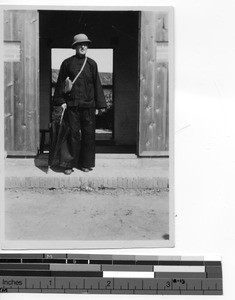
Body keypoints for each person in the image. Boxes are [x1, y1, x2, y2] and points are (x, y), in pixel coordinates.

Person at [53, 33, 106, 174]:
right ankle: (68, 164)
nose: (83, 46)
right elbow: (60, 85)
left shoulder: (92, 64)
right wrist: (62, 101)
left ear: (87, 46)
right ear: (75, 46)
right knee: (72, 135)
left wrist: (99, 105)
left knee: (89, 135)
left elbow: (97, 85)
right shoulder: (67, 63)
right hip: (72, 106)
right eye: (80, 44)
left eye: (85, 44)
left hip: (88, 106)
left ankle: (86, 163)